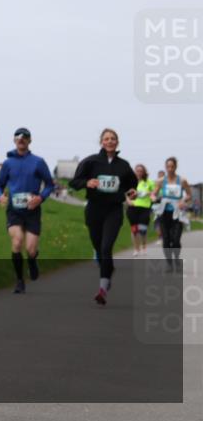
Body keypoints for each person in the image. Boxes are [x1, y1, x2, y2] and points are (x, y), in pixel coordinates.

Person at [69, 128, 138, 305]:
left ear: (117, 142)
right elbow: (74, 183)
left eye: (113, 139)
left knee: (107, 247)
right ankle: (108, 270)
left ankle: (102, 289)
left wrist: (132, 192)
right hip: (94, 210)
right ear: (101, 142)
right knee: (99, 249)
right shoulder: (90, 161)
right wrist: (87, 182)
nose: (109, 141)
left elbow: (132, 185)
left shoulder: (123, 165)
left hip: (114, 210)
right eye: (106, 139)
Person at [0, 127, 55, 293]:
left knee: (31, 249)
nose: (21, 139)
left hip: (32, 210)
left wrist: (40, 198)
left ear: (29, 140)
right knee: (17, 241)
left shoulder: (38, 162)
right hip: (14, 210)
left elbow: (50, 184)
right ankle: (20, 280)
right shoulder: (7, 163)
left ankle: (33, 260)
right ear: (14, 140)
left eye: (25, 137)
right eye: (18, 137)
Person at [155, 156, 192, 273]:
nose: (170, 169)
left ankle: (176, 259)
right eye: (168, 166)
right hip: (164, 213)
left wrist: (183, 201)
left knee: (176, 240)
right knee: (166, 240)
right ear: (165, 167)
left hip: (178, 213)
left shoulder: (182, 180)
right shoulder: (161, 181)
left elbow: (189, 194)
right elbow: (153, 194)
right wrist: (155, 198)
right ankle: (169, 263)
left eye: (172, 166)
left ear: (176, 167)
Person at [126, 164, 156, 256]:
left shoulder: (149, 182)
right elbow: (125, 194)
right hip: (132, 208)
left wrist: (151, 195)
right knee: (134, 230)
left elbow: (154, 193)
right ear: (134, 172)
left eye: (141, 171)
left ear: (144, 172)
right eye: (137, 171)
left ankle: (144, 247)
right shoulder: (130, 182)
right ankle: (136, 249)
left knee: (143, 230)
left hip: (145, 208)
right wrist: (128, 201)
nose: (139, 172)